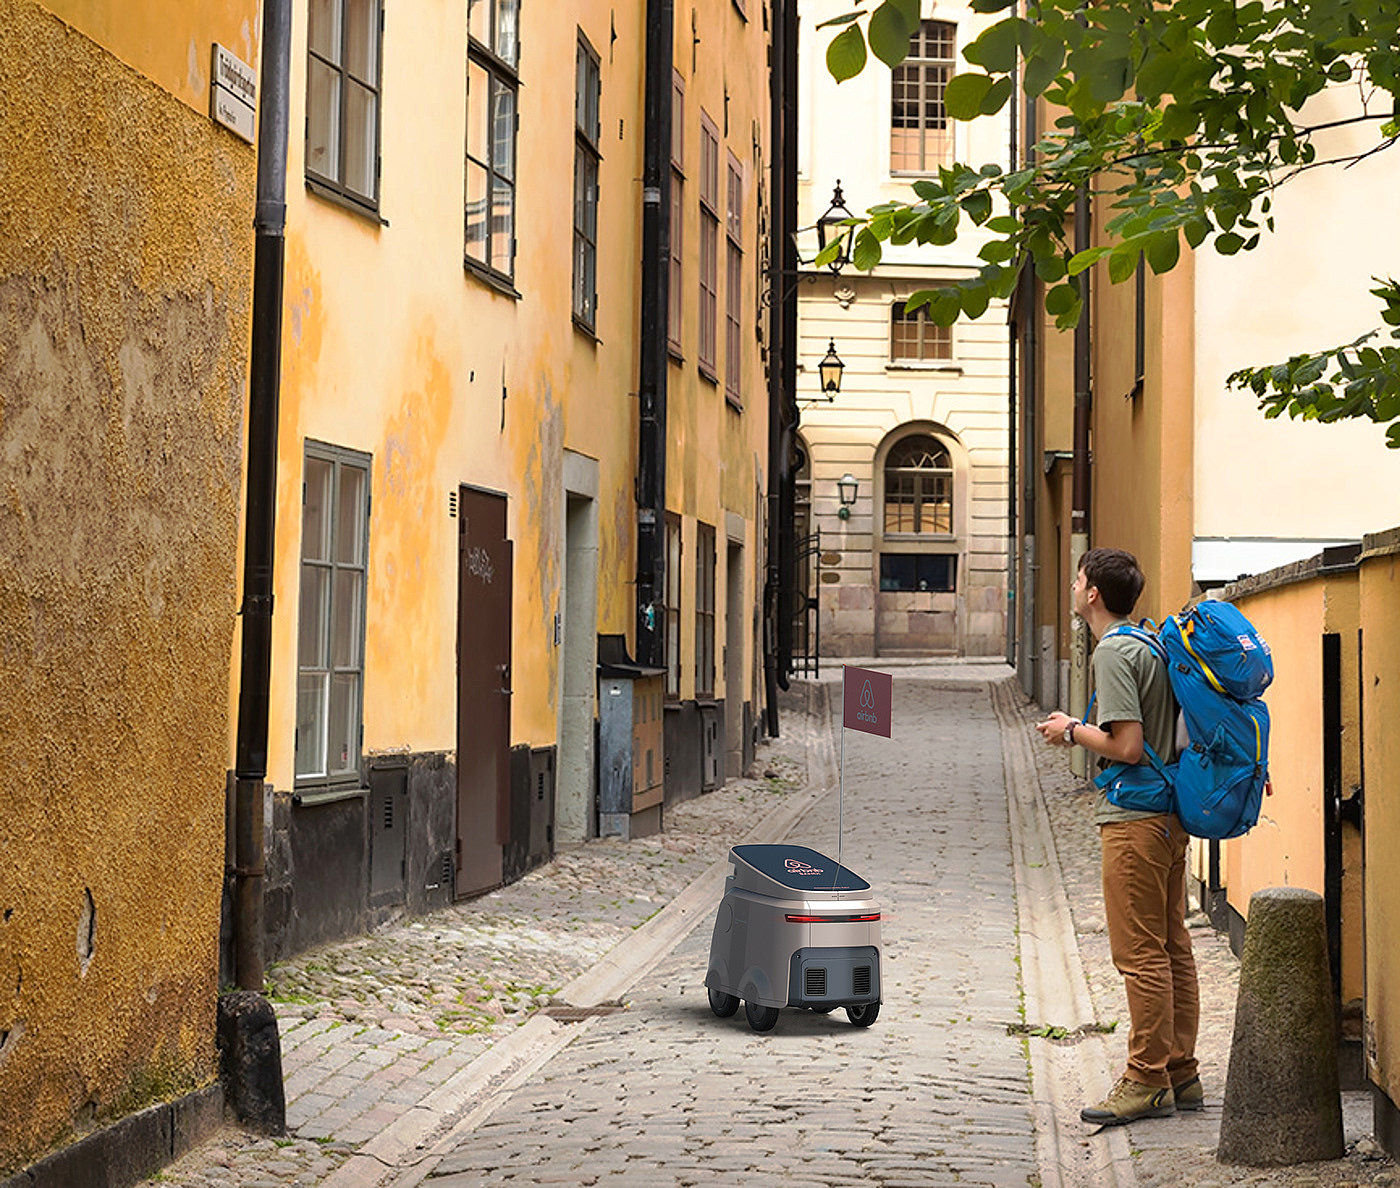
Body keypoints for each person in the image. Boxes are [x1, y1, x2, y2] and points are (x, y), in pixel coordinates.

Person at [1035, 547, 1201, 1126]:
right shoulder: (1150, 643)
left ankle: (1144, 1079)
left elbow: (1127, 747)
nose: (1075, 585)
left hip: (1134, 820)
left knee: (1140, 954)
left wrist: (1072, 730)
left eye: (1077, 577)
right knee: (1172, 944)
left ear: (1092, 595)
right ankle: (1181, 1070)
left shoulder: (1112, 652)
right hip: (1169, 815)